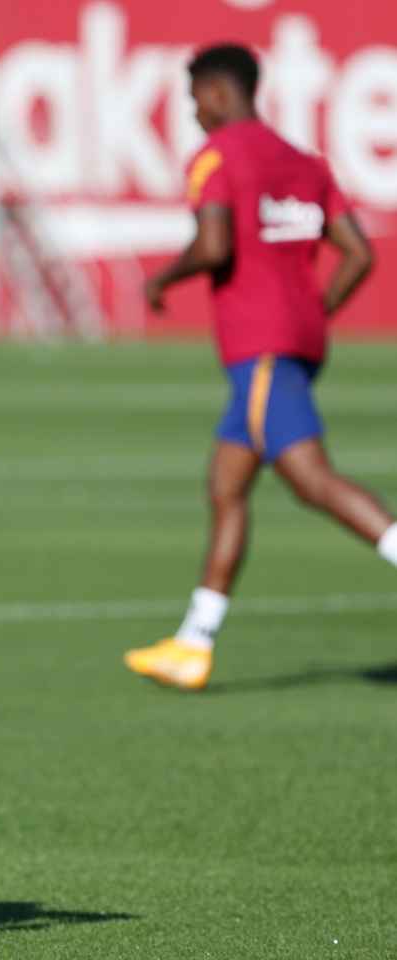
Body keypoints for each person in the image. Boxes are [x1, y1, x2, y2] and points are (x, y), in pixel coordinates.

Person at [126, 43, 396, 692]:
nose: (193, 112)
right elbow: (358, 254)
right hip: (294, 342)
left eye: (194, 98)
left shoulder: (218, 157)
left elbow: (215, 242)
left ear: (219, 91)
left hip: (261, 349)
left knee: (311, 481)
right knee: (227, 487)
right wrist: (312, 310)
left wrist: (163, 278)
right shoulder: (304, 162)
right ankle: (194, 642)